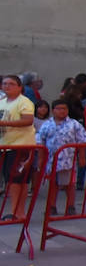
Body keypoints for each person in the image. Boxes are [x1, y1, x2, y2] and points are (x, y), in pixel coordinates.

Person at [35, 98, 86, 216]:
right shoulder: (47, 125)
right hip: (51, 160)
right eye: (58, 109)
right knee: (53, 184)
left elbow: (82, 141)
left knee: (69, 184)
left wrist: (82, 157)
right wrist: (40, 159)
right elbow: (41, 141)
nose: (61, 111)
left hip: (68, 160)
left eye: (64, 109)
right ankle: (52, 206)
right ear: (53, 110)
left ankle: (70, 206)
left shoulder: (74, 124)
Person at [1, 74, 39, 221]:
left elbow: (28, 120)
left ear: (19, 87)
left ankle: (17, 212)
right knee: (12, 180)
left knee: (18, 181)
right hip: (6, 146)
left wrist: (4, 124)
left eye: (11, 84)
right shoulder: (2, 101)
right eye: (4, 84)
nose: (7, 86)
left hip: (21, 146)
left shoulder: (24, 102)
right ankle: (17, 212)